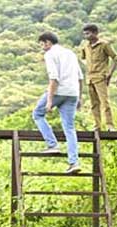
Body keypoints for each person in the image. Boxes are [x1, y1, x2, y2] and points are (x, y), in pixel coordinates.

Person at [33, 32, 83, 174]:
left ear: (48, 42)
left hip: (59, 91)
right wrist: (79, 97)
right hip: (73, 92)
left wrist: (49, 100)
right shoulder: (70, 53)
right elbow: (80, 77)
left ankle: (52, 144)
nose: (43, 48)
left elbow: (54, 78)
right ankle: (74, 162)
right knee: (69, 128)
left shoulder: (50, 54)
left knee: (37, 114)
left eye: (42, 44)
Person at [80, 24, 117, 131]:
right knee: (93, 103)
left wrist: (109, 73)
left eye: (88, 33)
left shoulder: (104, 44)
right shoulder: (86, 46)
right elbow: (83, 58)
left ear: (95, 33)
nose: (86, 36)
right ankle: (97, 125)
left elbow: (115, 59)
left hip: (101, 77)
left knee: (104, 102)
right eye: (85, 34)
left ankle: (110, 125)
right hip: (90, 78)